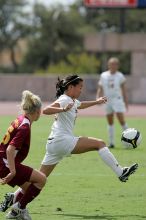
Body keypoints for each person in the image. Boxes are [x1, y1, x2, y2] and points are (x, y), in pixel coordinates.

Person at [0, 75, 138, 214]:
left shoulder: (72, 100)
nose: (81, 90)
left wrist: (96, 102)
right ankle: (121, 172)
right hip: (62, 141)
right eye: (80, 87)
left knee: (39, 178)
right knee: (100, 143)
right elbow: (47, 110)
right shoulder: (64, 100)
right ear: (71, 87)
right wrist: (62, 109)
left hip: (54, 144)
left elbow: (80, 104)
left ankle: (13, 199)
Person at [0, 90, 46, 220]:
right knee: (42, 180)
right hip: (6, 164)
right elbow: (10, 149)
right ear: (37, 111)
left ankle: (15, 212)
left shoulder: (20, 119)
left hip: (3, 162)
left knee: (29, 189)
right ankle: (19, 208)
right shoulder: (25, 126)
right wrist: (13, 171)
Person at [97, 57, 128, 148]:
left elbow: (124, 89)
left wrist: (126, 101)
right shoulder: (103, 75)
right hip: (107, 100)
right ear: (108, 65)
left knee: (121, 120)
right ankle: (111, 143)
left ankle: (129, 140)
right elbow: (100, 87)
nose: (113, 66)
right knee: (110, 121)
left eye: (115, 64)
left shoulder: (120, 76)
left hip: (117, 100)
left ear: (118, 66)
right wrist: (98, 97)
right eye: (111, 64)